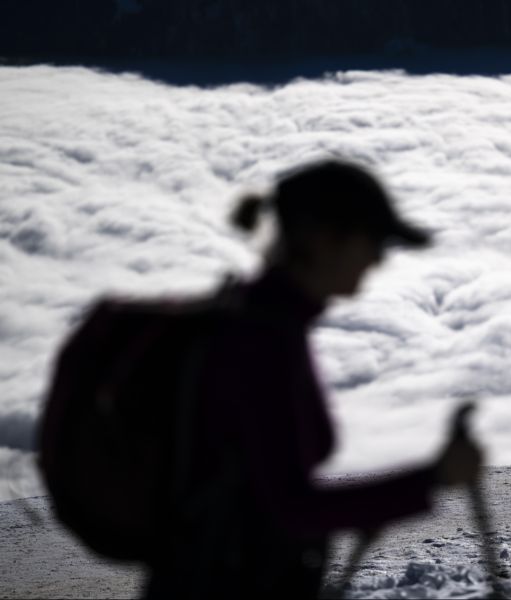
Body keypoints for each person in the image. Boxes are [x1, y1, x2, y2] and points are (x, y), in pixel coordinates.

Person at [143, 159, 481, 598]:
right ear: (325, 239)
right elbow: (291, 508)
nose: (379, 258)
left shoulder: (261, 321)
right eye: (374, 241)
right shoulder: (263, 340)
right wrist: (432, 478)